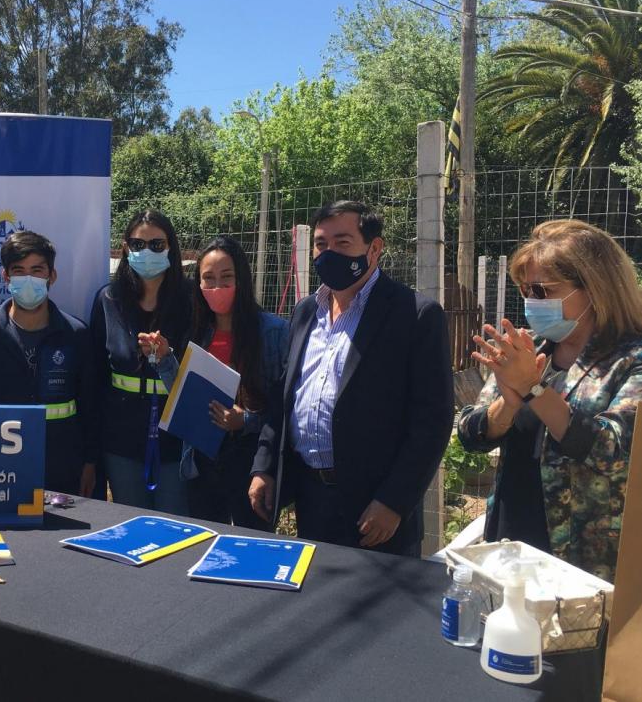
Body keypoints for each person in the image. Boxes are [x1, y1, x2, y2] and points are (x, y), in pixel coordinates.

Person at [248, 200, 453, 556]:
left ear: (374, 249)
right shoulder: (305, 311)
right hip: (311, 500)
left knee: (382, 611)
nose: (328, 254)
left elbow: (432, 422)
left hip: (375, 512)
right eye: (321, 244)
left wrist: (394, 501)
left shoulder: (415, 316)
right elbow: (284, 397)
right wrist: (264, 466)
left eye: (343, 243)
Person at [458, 220, 642, 583]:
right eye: (525, 290)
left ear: (594, 289)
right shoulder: (531, 350)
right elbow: (470, 433)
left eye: (542, 290)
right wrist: (507, 405)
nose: (531, 302)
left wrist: (533, 390)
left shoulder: (630, 358)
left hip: (583, 557)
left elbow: (613, 450)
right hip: (511, 536)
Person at [140, 236, 287, 529]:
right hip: (202, 457)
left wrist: (244, 420)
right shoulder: (197, 331)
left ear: (242, 279)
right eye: (208, 279)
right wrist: (165, 358)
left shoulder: (274, 332)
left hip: (252, 461)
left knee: (252, 545)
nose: (217, 287)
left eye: (226, 277)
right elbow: (184, 396)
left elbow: (283, 408)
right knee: (206, 542)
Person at [0, 231, 98, 496]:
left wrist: (90, 462)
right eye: (19, 271)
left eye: (37, 270)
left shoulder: (75, 334)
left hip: (62, 468)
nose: (28, 279)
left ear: (51, 276)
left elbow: (90, 405)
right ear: (6, 277)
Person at [90, 209, 193, 514]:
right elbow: (95, 374)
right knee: (133, 531)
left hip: (177, 442)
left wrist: (168, 357)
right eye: (137, 245)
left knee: (174, 534)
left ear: (171, 247)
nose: (147, 252)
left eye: (157, 245)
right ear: (125, 248)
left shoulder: (191, 300)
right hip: (122, 445)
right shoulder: (109, 299)